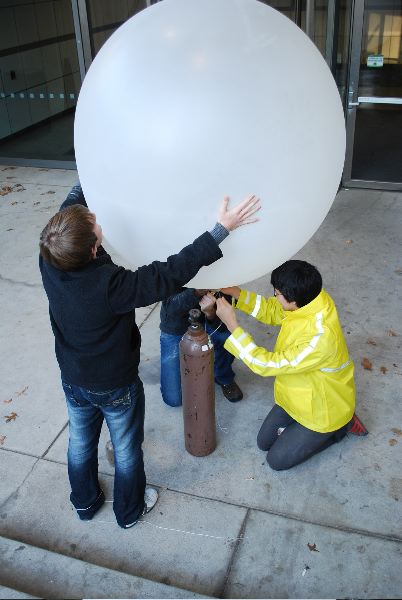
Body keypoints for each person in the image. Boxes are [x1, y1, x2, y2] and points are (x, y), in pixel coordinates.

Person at [39, 183, 260, 528]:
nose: (97, 218)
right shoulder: (112, 287)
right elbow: (169, 273)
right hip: (114, 384)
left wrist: (89, 175)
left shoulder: (51, 257)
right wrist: (221, 230)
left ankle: (84, 503)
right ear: (95, 247)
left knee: (80, 442)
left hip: (73, 377)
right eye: (94, 222)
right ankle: (128, 512)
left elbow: (66, 213)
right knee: (126, 449)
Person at [214, 260, 364, 471]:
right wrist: (237, 294)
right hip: (296, 396)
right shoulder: (312, 299)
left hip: (321, 410)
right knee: (263, 442)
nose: (274, 296)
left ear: (294, 301)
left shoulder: (320, 340)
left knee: (277, 461)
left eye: (277, 293)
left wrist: (232, 325)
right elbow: (274, 310)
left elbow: (264, 364)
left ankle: (340, 428)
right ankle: (304, 433)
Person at [159, 289, 243, 407]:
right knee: (174, 399)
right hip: (176, 325)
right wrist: (197, 292)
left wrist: (210, 312)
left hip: (207, 322)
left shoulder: (221, 273)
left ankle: (223, 376)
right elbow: (171, 308)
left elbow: (223, 323)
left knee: (226, 336)